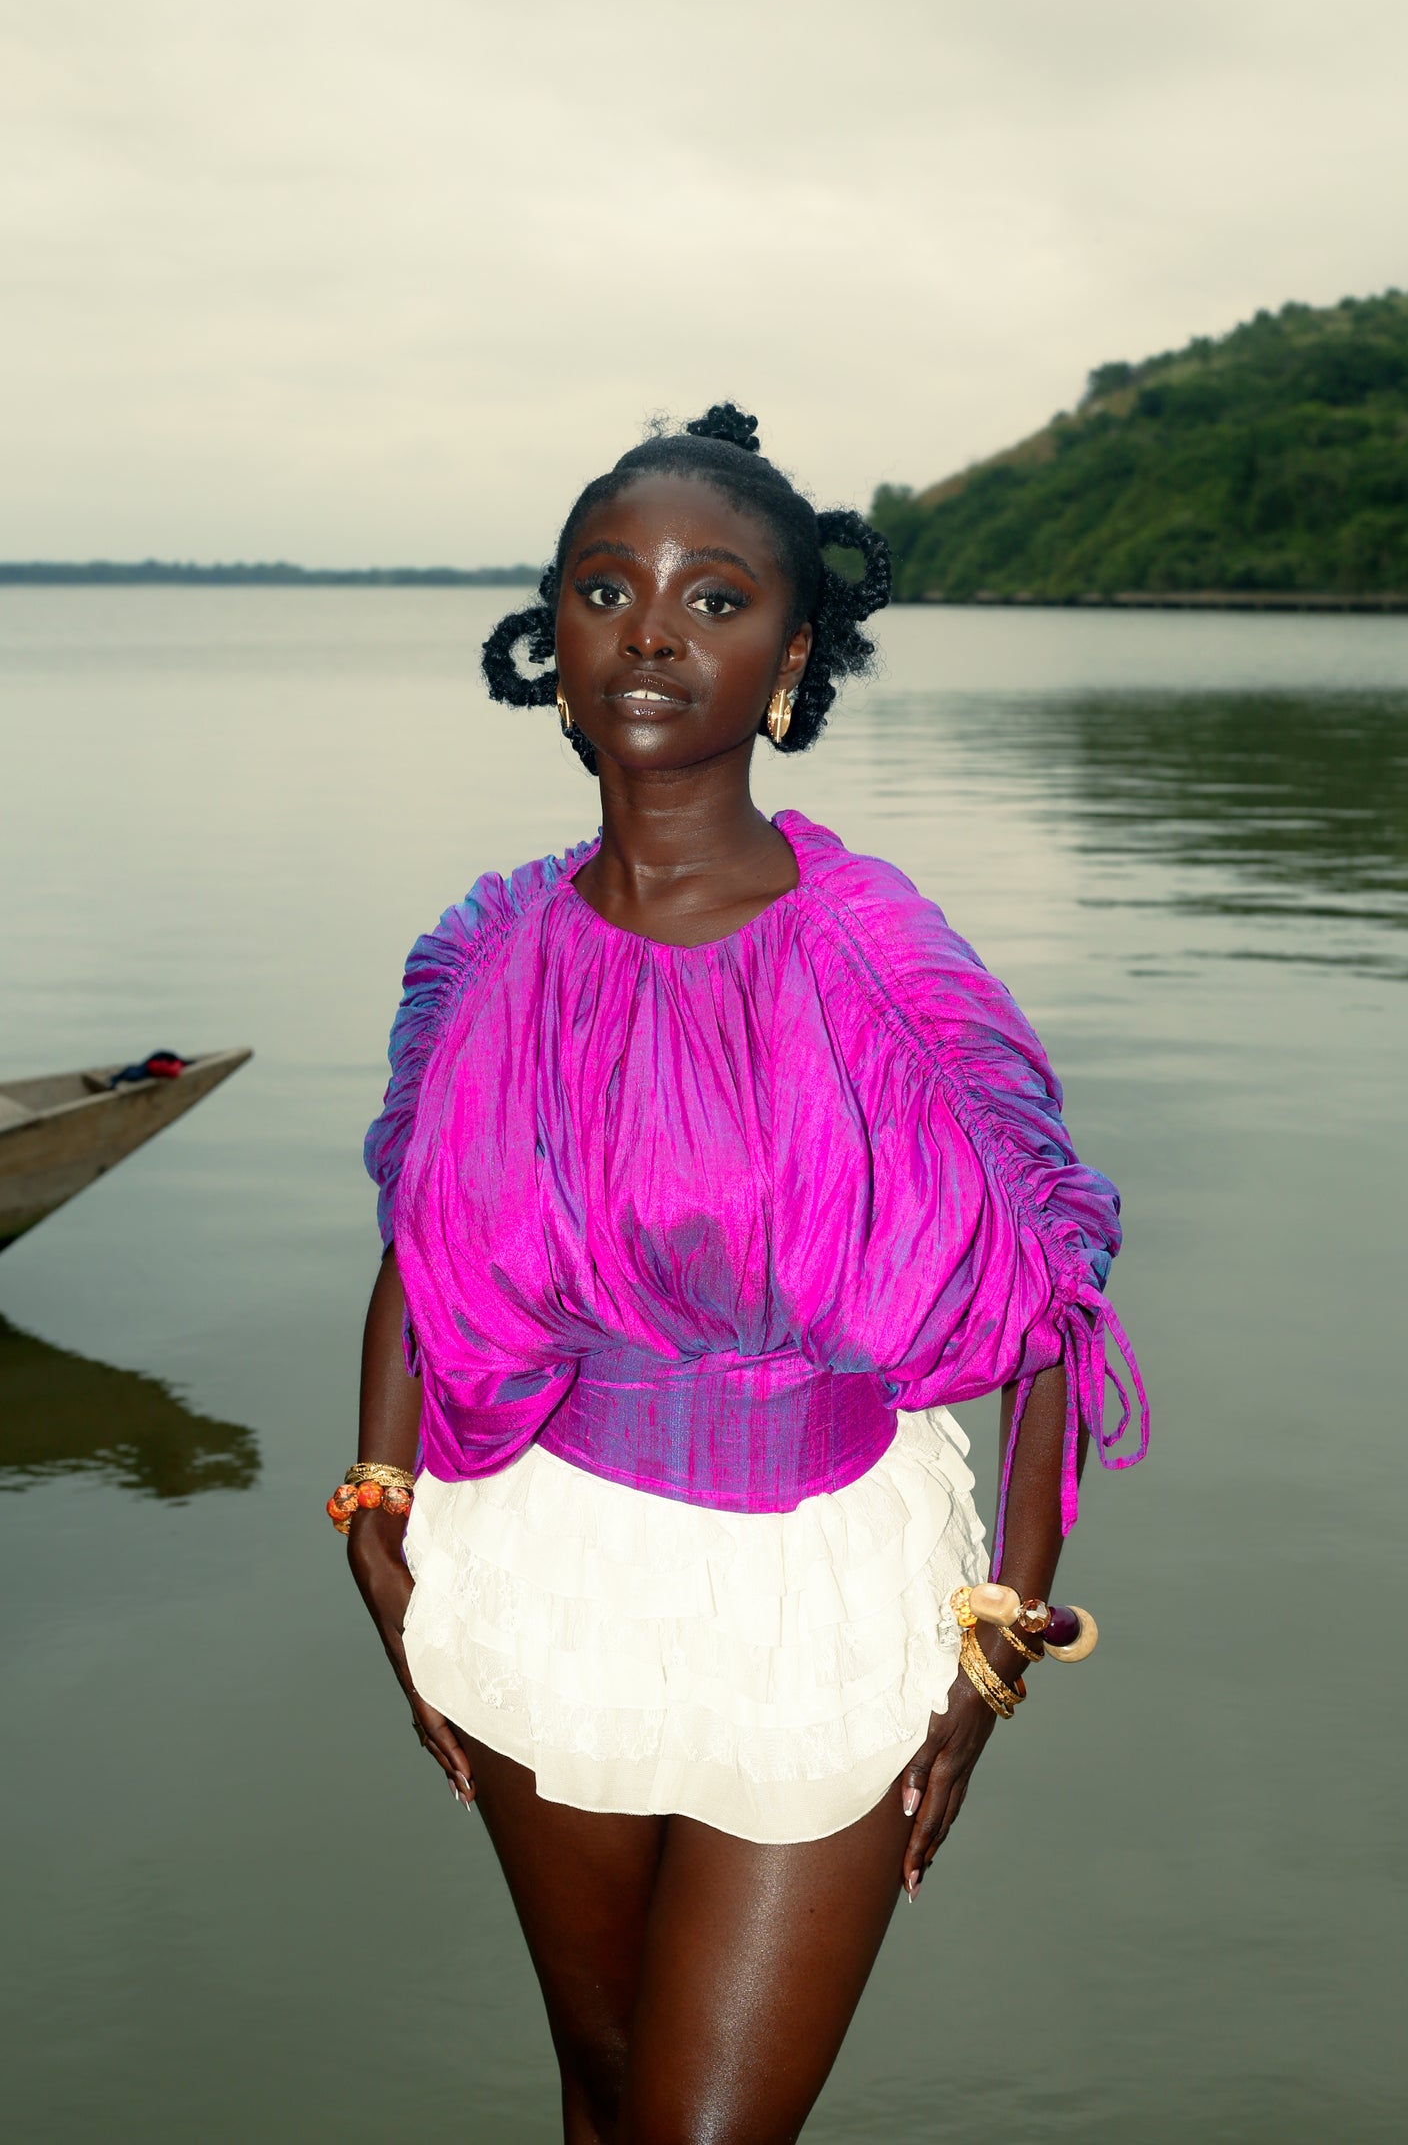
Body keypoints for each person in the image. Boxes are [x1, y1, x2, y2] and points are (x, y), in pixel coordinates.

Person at [339, 403, 1148, 2144]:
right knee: (608, 2086)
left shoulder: (880, 966)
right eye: (606, 589)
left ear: (788, 662)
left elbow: (1048, 1316)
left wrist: (993, 1653)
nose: (652, 630)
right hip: (544, 1565)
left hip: (824, 1590)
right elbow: (421, 1232)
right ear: (548, 643)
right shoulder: (485, 952)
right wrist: (375, 1511)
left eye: (715, 600)